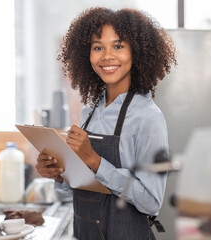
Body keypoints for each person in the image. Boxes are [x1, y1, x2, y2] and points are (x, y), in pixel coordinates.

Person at [36, 7, 176, 239]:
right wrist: (59, 173)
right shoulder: (89, 113)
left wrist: (95, 160)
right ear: (87, 55)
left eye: (118, 46)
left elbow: (151, 202)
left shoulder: (147, 117)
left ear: (137, 53)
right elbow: (89, 187)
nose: (107, 56)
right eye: (98, 47)